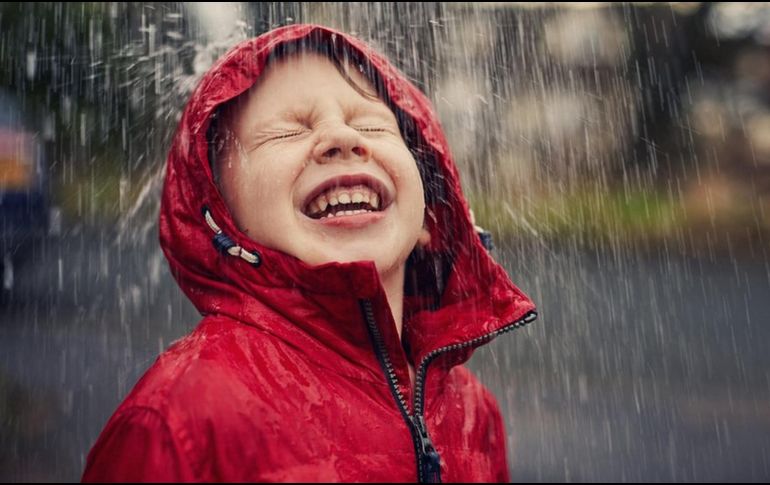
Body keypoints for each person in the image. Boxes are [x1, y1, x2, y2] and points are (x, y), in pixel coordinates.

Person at [81, 24, 537, 483]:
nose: (341, 136)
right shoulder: (180, 422)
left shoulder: (474, 414)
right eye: (287, 131)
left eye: (371, 125)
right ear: (221, 215)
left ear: (429, 216)